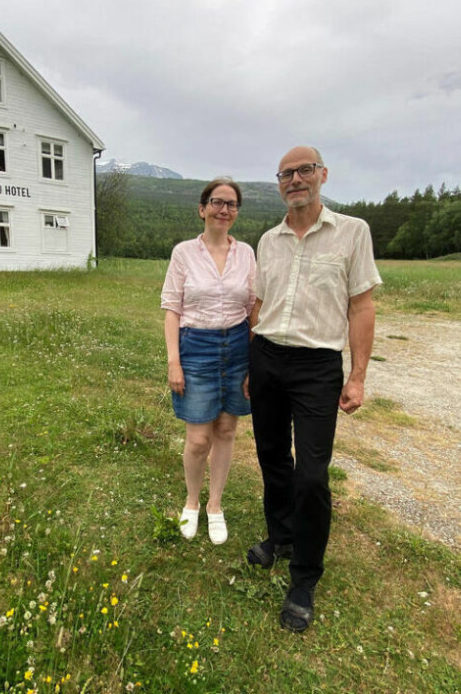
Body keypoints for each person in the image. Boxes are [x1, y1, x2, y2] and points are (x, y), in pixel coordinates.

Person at [246, 146, 381, 632]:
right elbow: (259, 304)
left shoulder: (352, 232)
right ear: (279, 183)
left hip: (317, 365)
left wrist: (357, 375)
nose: (295, 179)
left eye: (305, 170)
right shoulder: (269, 240)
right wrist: (251, 362)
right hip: (267, 357)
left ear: (323, 175)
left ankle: (304, 577)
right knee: (271, 456)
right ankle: (281, 536)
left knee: (311, 475)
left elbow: (361, 306)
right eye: (286, 173)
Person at [161, 178, 257, 545]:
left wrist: (253, 363)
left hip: (238, 346)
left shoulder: (246, 253)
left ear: (236, 213)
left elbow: (253, 309)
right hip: (196, 346)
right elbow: (172, 309)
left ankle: (215, 505)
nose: (224, 210)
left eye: (231, 204)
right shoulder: (184, 253)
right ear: (202, 209)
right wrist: (174, 362)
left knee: (227, 430)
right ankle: (192, 502)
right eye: (217, 202)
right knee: (199, 438)